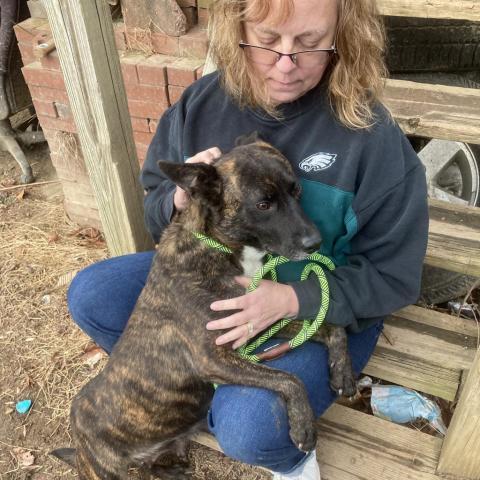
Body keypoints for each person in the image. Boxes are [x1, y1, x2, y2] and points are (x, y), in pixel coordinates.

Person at [67, 0, 429, 478]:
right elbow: (155, 204)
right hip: (221, 278)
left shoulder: (370, 137)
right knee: (92, 294)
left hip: (323, 300)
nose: (285, 62)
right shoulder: (201, 104)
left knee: (252, 430)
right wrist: (180, 200)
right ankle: (187, 393)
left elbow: (394, 278)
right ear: (236, 31)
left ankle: (286, 456)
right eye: (266, 40)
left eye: (308, 42)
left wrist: (289, 299)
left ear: (344, 37)